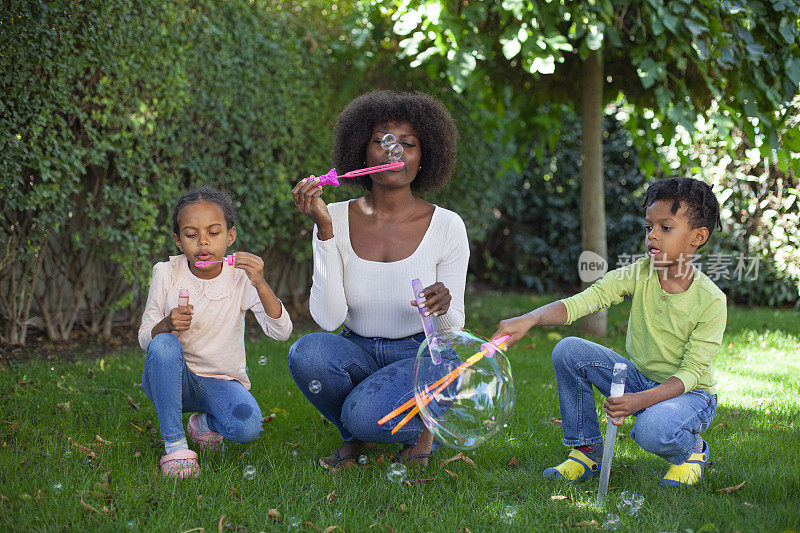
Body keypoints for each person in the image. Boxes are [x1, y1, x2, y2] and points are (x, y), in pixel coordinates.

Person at [490, 177, 726, 487]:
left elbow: (690, 374)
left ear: (698, 236)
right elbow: (585, 301)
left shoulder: (711, 300)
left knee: (649, 430)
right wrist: (531, 318)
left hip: (690, 395)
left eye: (665, 228)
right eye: (648, 227)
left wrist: (639, 401)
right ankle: (588, 450)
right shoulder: (639, 273)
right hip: (640, 377)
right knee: (569, 350)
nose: (652, 236)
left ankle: (692, 451)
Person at [289, 90, 468, 470]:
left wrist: (445, 305)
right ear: (361, 153)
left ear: (425, 156)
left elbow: (454, 329)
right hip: (358, 350)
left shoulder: (448, 225)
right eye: (381, 142)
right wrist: (324, 231)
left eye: (409, 143)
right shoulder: (332, 216)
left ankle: (422, 429)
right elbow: (328, 319)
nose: (395, 152)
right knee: (307, 352)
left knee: (365, 415)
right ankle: (357, 432)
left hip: (425, 357)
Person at [139, 186, 292, 477]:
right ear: (178, 240)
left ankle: (203, 424)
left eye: (213, 232)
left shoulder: (240, 278)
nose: (203, 243)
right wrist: (166, 325)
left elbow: (281, 331)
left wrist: (260, 282)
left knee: (248, 427)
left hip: (220, 382)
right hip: (174, 380)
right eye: (191, 234)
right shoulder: (166, 273)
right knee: (164, 344)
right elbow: (145, 337)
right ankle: (175, 447)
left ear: (230, 236)